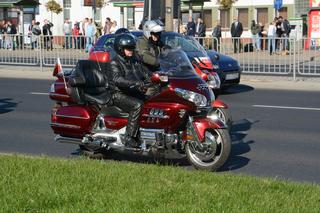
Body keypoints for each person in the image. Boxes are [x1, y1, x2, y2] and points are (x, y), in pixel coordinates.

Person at [108, 33, 150, 148]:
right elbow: (118, 79)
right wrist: (135, 83)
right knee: (137, 105)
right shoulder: (114, 62)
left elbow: (145, 73)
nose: (131, 50)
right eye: (128, 48)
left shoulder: (134, 61)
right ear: (120, 49)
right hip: (118, 94)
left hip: (131, 91)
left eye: (132, 48)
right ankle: (129, 137)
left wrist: (158, 77)